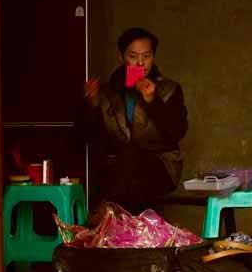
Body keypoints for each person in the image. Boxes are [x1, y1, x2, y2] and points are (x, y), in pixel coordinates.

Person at [79, 27, 188, 215]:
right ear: (121, 57)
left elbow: (178, 132)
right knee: (122, 164)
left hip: (161, 166)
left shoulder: (168, 89)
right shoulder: (107, 93)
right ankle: (129, 230)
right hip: (120, 171)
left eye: (146, 56)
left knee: (132, 162)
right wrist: (91, 105)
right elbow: (86, 136)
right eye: (133, 56)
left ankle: (106, 215)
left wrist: (153, 102)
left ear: (153, 56)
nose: (140, 64)